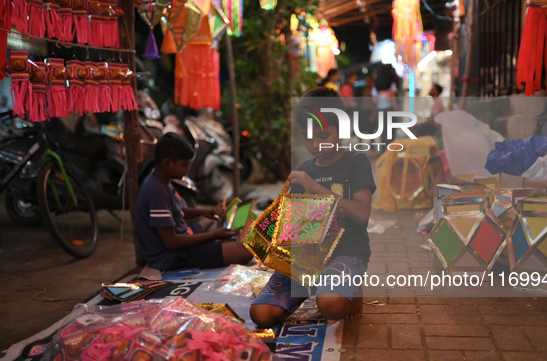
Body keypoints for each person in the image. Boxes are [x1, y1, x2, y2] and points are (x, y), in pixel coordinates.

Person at [250, 87, 377, 327]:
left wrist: (317, 188)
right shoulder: (304, 170)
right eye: (308, 138)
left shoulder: (356, 161)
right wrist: (271, 244)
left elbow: (361, 214)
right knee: (261, 315)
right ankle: (317, 285)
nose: (315, 144)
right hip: (304, 258)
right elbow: (295, 229)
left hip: (345, 252)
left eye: (323, 135)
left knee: (331, 306)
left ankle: (351, 289)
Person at [135, 133, 253, 273]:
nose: (187, 169)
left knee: (212, 222)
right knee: (245, 252)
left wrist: (204, 211)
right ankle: (219, 247)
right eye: (184, 165)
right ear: (167, 163)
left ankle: (219, 246)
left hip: (181, 239)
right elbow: (171, 242)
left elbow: (175, 212)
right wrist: (213, 236)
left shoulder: (160, 181)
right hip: (172, 257)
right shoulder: (157, 191)